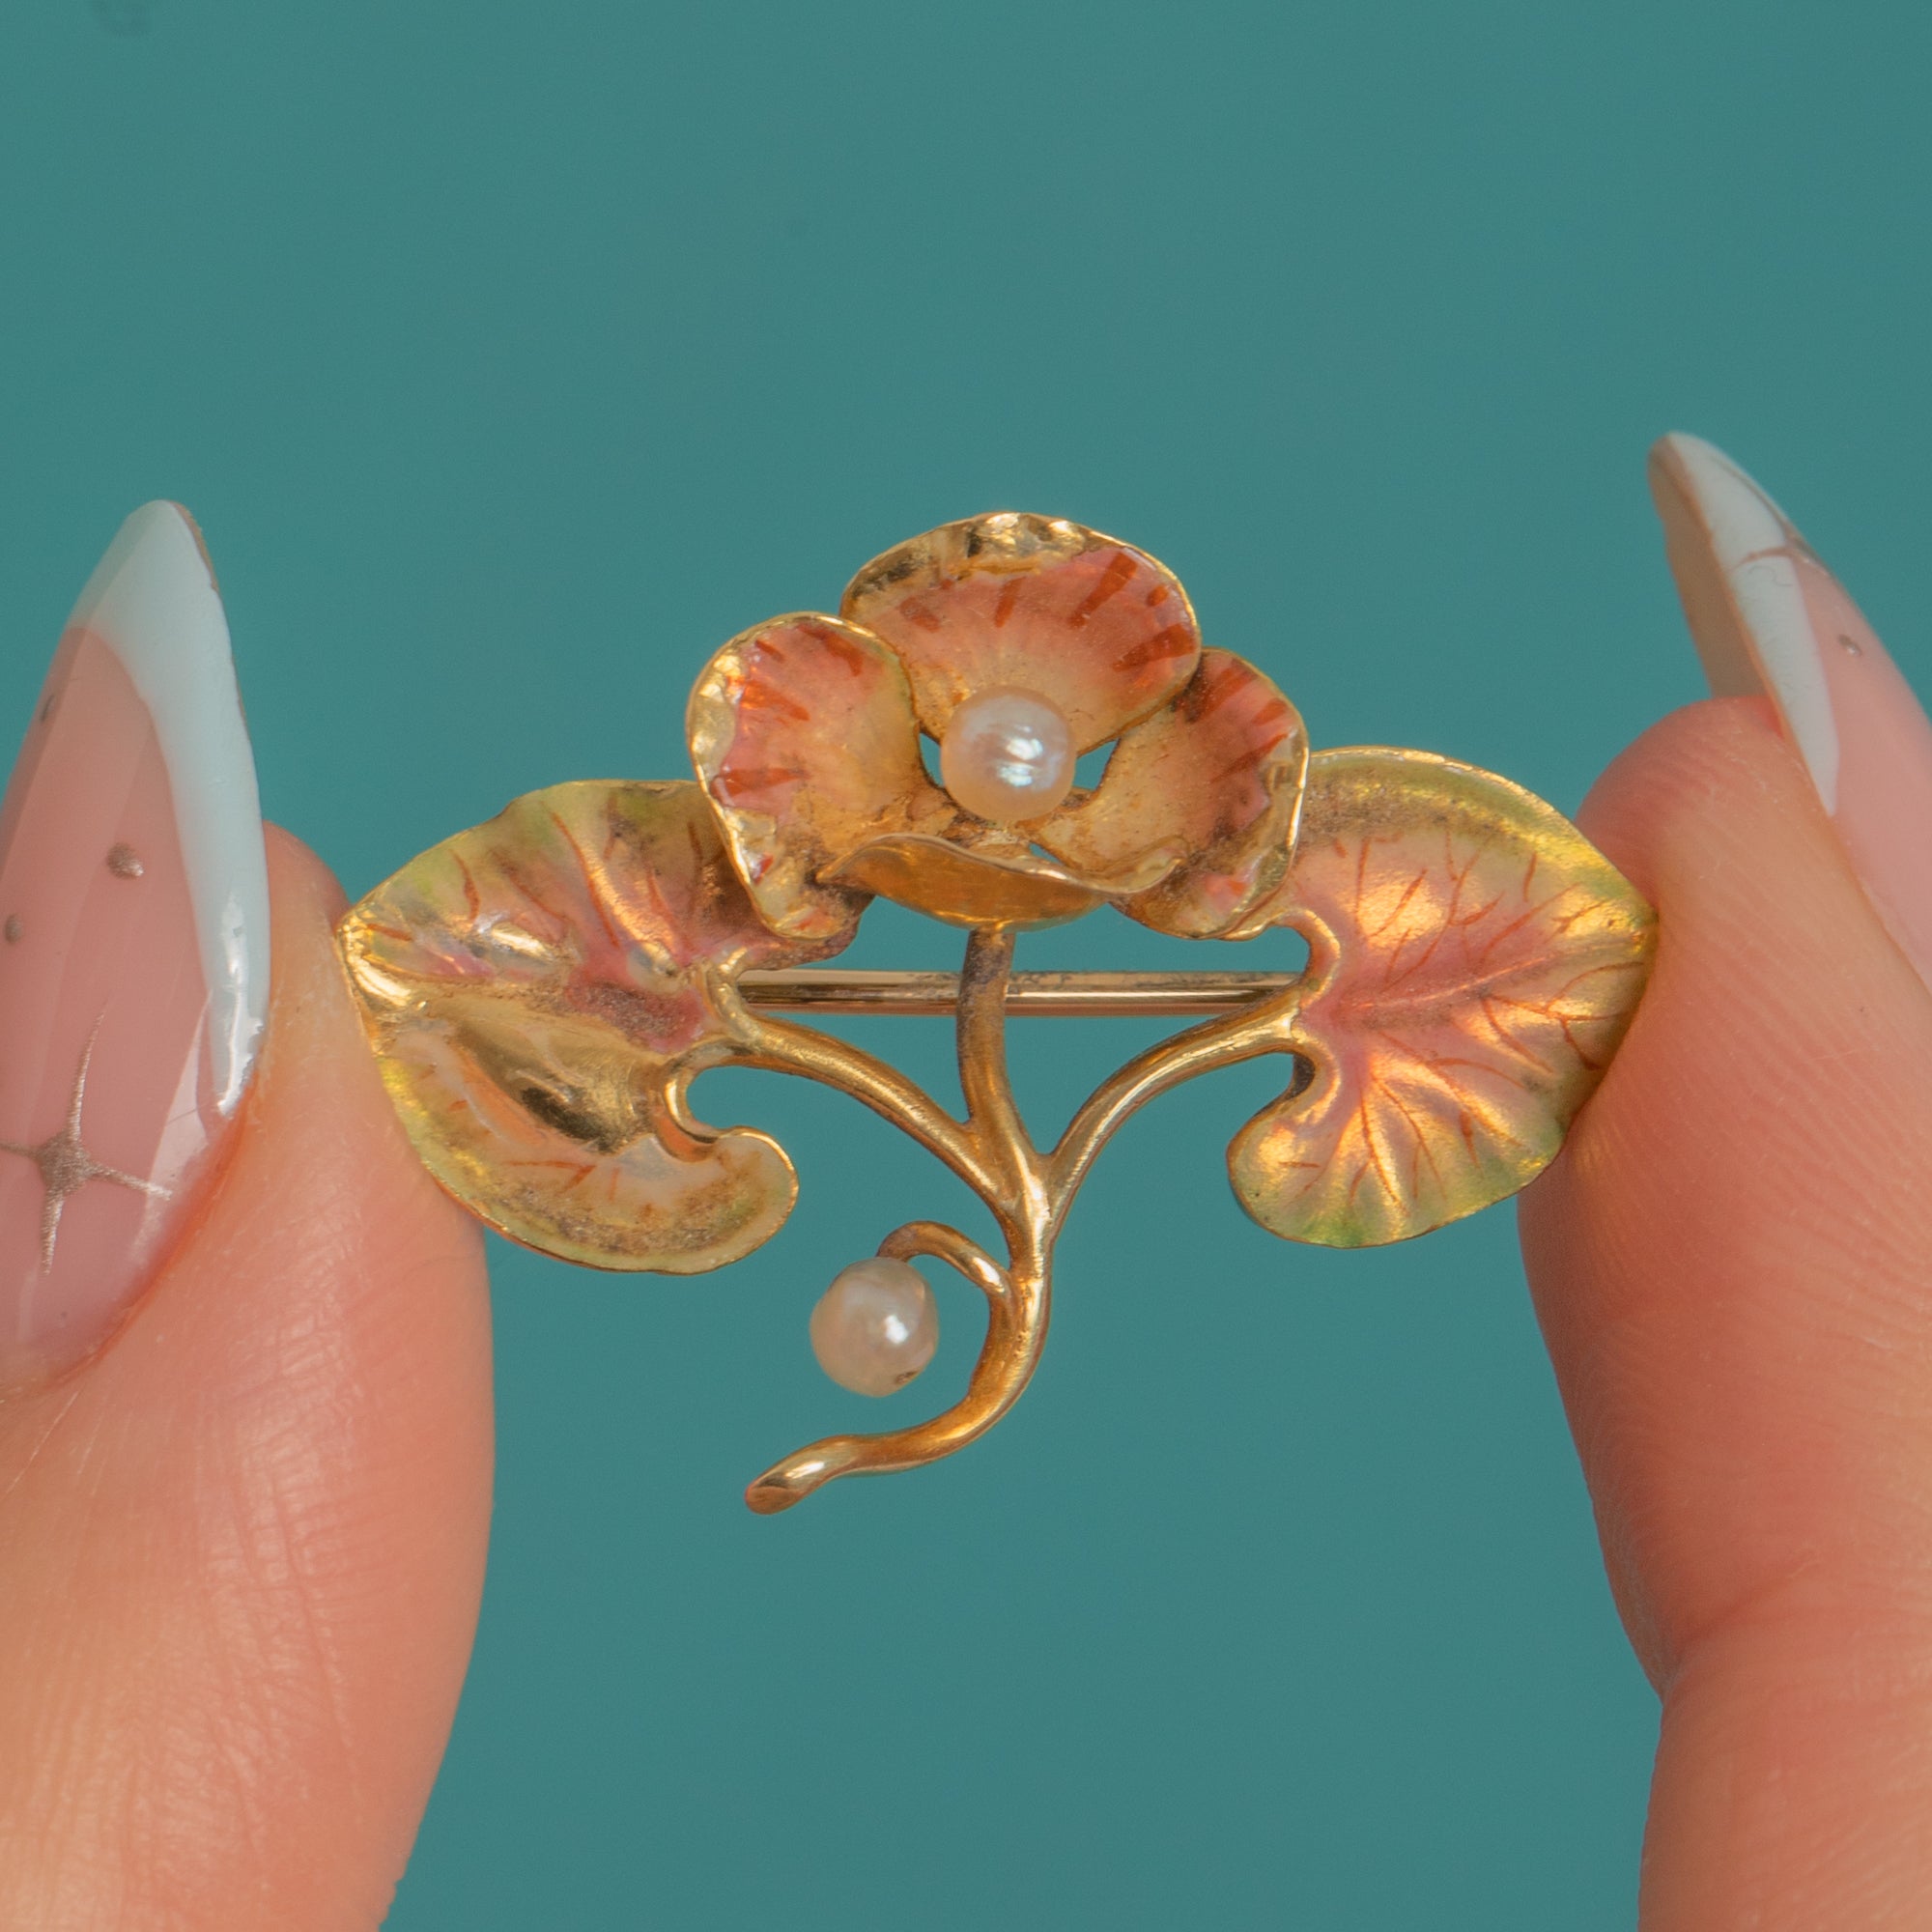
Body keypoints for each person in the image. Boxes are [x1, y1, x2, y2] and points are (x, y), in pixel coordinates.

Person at [0, 436, 1925, 1928]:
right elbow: (440, 971)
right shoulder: (790, 833)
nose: (999, 775)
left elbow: (1545, 960)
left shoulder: (1227, 836)